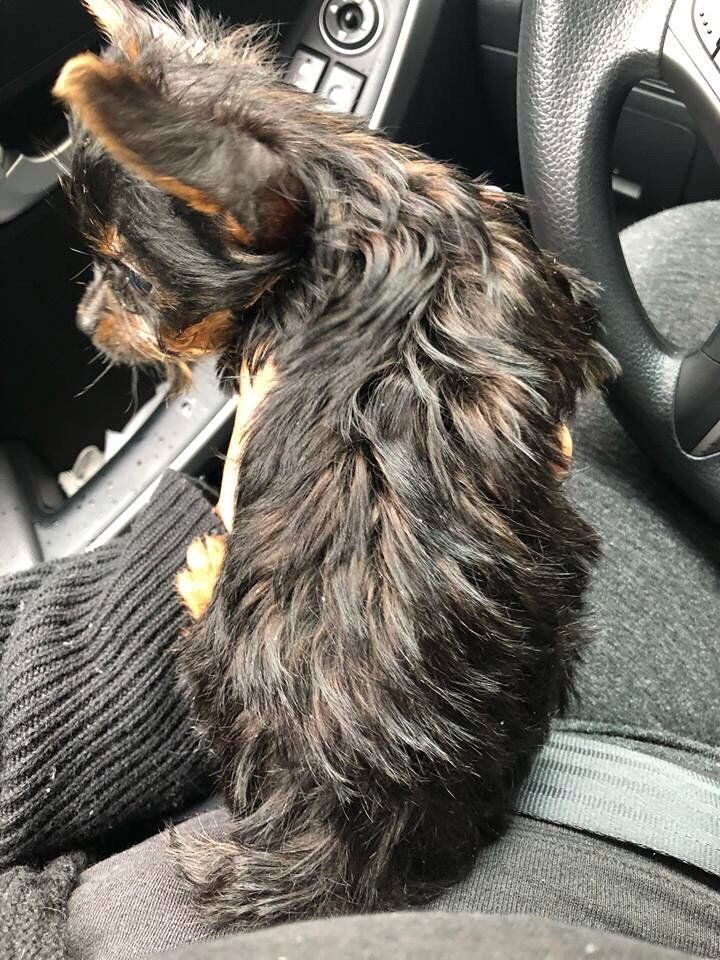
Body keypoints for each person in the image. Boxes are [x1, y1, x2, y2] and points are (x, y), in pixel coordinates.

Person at [1, 204, 718, 960]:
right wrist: (252, 575)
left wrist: (231, 546)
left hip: (315, 751)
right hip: (381, 838)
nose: (94, 311)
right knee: (682, 259)